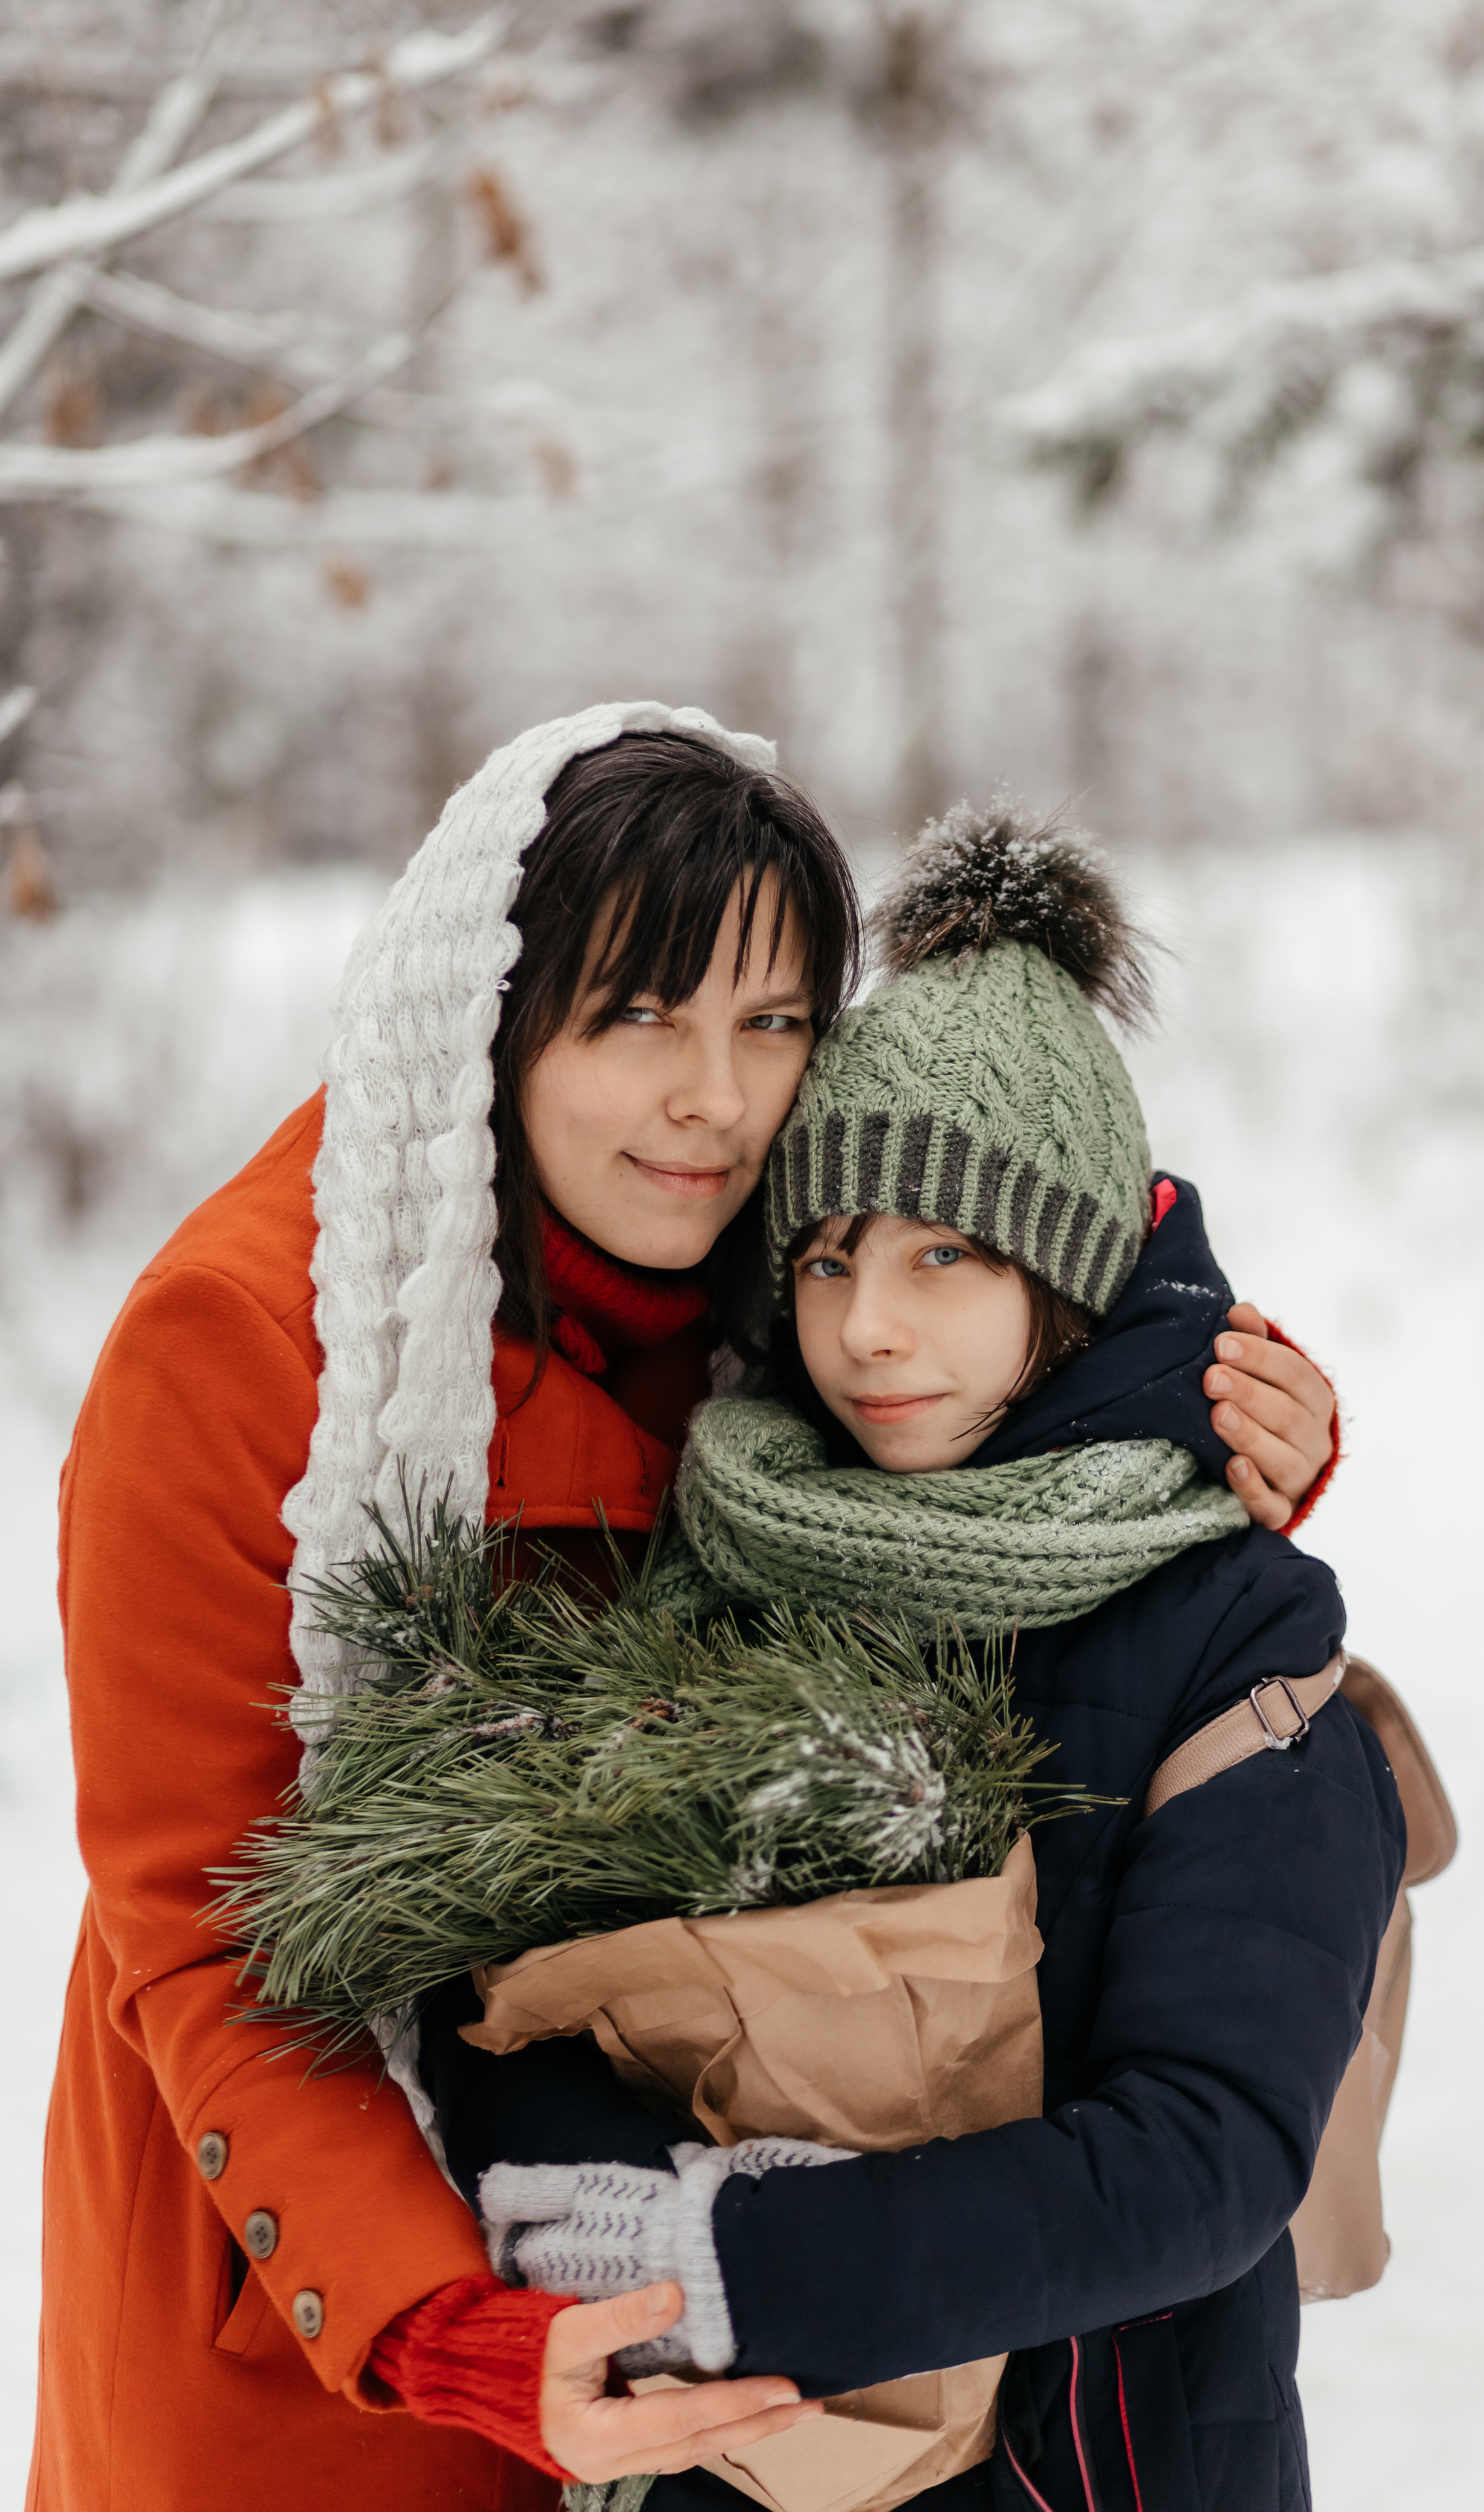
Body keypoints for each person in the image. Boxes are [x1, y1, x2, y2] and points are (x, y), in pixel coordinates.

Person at [29, 706, 1339, 2512]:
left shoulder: (770, 1253)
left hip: (692, 2307)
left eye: (772, 1020)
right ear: (490, 1014)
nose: (712, 1096)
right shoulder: (251, 1348)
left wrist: (1218, 1415)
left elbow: (1032, 1232)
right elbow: (209, 1934)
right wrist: (446, 2324)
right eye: (636, 1012)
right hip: (337, 2287)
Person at [425, 799, 1400, 2512]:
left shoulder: (1232, 1625)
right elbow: (501, 1999)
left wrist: (758, 2260)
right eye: (828, 1258)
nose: (870, 1327)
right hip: (732, 2470)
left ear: (1075, 1280)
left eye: (948, 1254)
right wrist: (607, 2198)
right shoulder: (725, 1569)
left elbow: (1210, 2154)